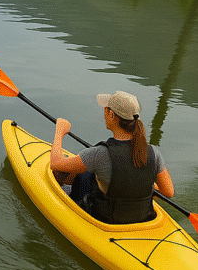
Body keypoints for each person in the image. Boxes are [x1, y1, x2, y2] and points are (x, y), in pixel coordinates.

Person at [50, 90, 174, 224]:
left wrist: (60, 132)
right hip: (141, 219)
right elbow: (168, 192)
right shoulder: (153, 153)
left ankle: (66, 191)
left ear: (111, 115)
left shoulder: (99, 154)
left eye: (106, 109)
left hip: (106, 220)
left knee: (80, 174)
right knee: (87, 172)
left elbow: (55, 163)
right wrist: (140, 182)